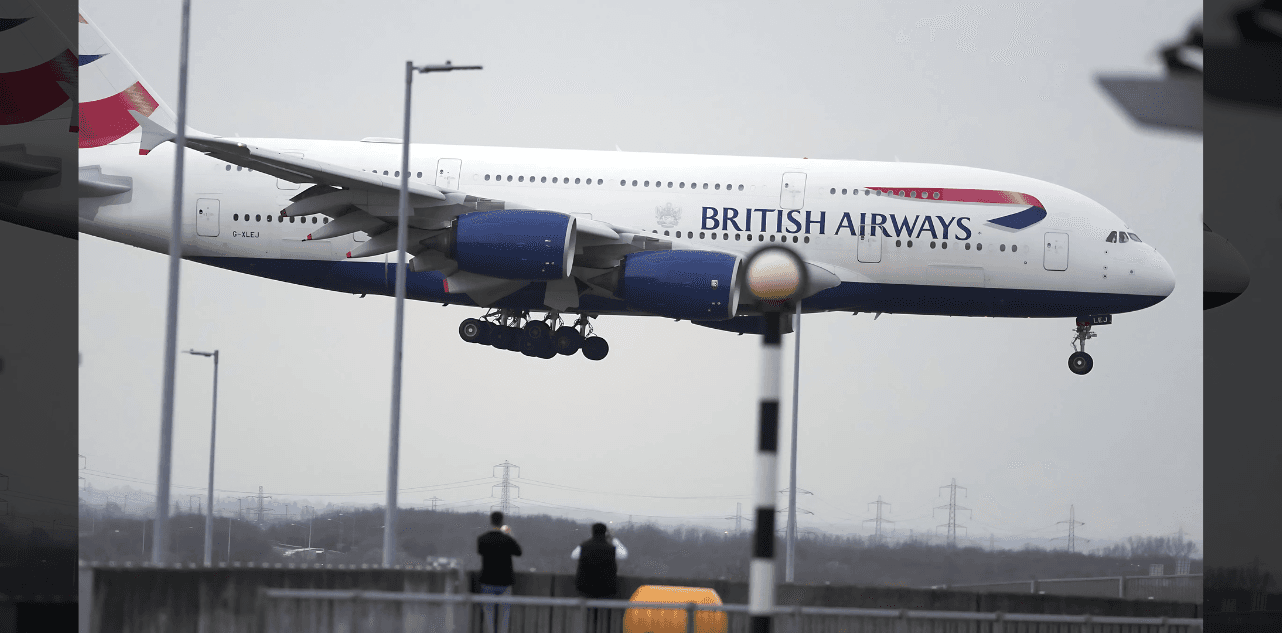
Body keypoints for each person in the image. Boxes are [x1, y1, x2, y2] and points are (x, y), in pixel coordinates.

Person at [572, 523, 629, 633]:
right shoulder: (611, 548)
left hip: (586, 589)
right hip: (606, 589)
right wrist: (614, 539)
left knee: (589, 620)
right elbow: (624, 554)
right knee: (604, 622)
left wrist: (590, 539)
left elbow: (574, 555)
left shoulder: (585, 546)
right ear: (605, 532)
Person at [477, 511, 522, 633]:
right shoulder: (507, 540)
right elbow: (519, 552)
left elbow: (480, 552)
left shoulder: (482, 539)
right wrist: (509, 534)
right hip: (505, 582)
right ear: (502, 521)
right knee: (504, 616)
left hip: (487, 581)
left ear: (491, 521)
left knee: (488, 615)